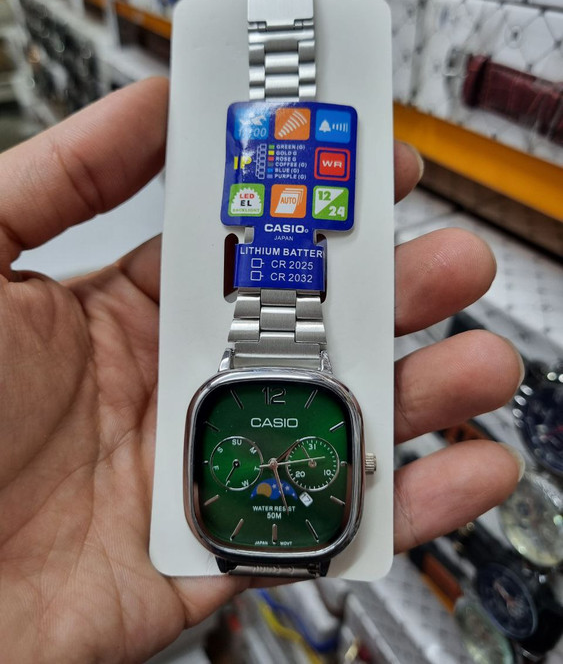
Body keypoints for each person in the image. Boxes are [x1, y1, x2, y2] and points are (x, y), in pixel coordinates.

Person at [0, 77, 524, 662]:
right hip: (271, 497)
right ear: (359, 461)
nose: (273, 465)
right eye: (280, 463)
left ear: (361, 463)